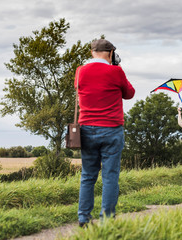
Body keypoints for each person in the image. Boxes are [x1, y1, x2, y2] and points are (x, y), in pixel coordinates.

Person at [75, 39, 135, 227]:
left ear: (92, 52)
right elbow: (130, 93)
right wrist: (117, 67)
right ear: (110, 53)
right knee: (110, 176)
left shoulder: (80, 71)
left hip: (86, 128)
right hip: (111, 129)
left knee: (87, 176)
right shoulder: (115, 71)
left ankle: (83, 218)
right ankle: (106, 220)